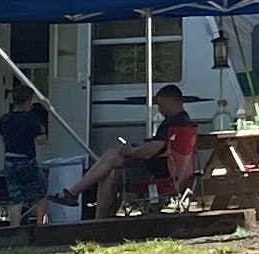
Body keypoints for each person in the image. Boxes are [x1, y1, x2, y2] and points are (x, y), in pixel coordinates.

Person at [76, 84, 197, 218]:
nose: (160, 109)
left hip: (158, 173)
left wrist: (131, 152)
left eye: (161, 105)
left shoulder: (173, 123)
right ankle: (87, 203)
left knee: (110, 172)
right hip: (174, 172)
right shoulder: (186, 122)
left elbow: (154, 149)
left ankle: (97, 216)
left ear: (171, 102)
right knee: (111, 159)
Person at [0, 80, 56, 232]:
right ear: (29, 101)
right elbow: (41, 140)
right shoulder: (31, 119)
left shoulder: (5, 119)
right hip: (27, 161)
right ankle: (41, 228)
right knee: (41, 195)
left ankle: (14, 231)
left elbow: (3, 136)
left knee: (16, 199)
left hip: (9, 161)